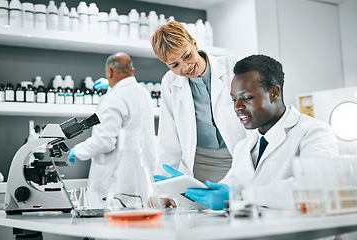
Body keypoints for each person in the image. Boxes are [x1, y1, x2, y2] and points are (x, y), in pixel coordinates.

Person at [182, 54, 338, 210]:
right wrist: (185, 191)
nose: (237, 107)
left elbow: (315, 188)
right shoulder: (244, 147)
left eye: (247, 97)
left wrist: (241, 195)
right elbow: (225, 190)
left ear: (274, 93)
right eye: (234, 99)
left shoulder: (314, 133)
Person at [151, 21, 246, 184]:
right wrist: (165, 185)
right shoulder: (169, 82)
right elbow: (169, 137)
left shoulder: (236, 67)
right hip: (199, 167)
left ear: (194, 43)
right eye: (174, 65)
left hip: (240, 161)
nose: (186, 67)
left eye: (187, 56)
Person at [68, 52, 157, 208]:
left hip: (116, 185)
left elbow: (104, 141)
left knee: (110, 229)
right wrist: (111, 89)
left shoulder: (115, 97)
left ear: (109, 72)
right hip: (140, 180)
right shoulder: (143, 93)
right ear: (133, 71)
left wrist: (78, 150)